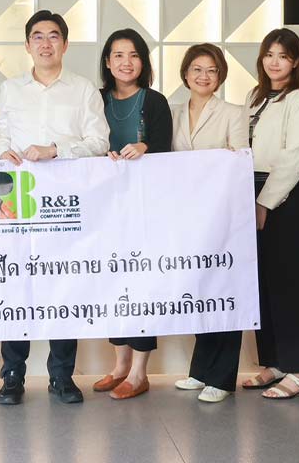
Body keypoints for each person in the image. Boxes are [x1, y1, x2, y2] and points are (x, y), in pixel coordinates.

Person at [0, 10, 110, 405]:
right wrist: (2, 151)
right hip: (18, 197)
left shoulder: (83, 89)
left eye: (54, 36)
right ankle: (12, 375)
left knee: (63, 285)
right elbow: (1, 137)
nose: (46, 43)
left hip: (65, 201)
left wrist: (56, 150)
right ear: (27, 45)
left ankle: (61, 376)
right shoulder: (10, 88)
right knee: (17, 285)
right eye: (38, 37)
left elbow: (99, 141)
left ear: (65, 43)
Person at [239, 28, 299, 400]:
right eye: (269, 54)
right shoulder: (254, 95)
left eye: (283, 56)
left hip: (284, 194)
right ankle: (274, 362)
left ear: (296, 61)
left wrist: (264, 203)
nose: (275, 62)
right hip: (249, 187)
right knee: (261, 282)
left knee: (288, 281)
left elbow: (294, 157)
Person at [91, 28, 171, 400]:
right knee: (112, 283)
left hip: (145, 207)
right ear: (108, 62)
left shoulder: (154, 101)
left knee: (140, 284)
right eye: (119, 55)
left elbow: (166, 148)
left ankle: (139, 372)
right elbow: (86, 143)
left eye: (134, 55)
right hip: (106, 208)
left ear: (144, 62)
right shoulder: (95, 99)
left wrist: (145, 146)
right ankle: (120, 364)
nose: (126, 62)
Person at [168, 43, 249, 404]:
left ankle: (222, 377)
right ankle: (201, 370)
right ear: (185, 74)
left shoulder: (233, 112)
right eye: (197, 69)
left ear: (220, 77)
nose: (203, 76)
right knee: (200, 292)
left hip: (221, 214)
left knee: (224, 291)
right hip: (185, 216)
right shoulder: (172, 112)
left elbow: (239, 161)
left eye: (212, 70)